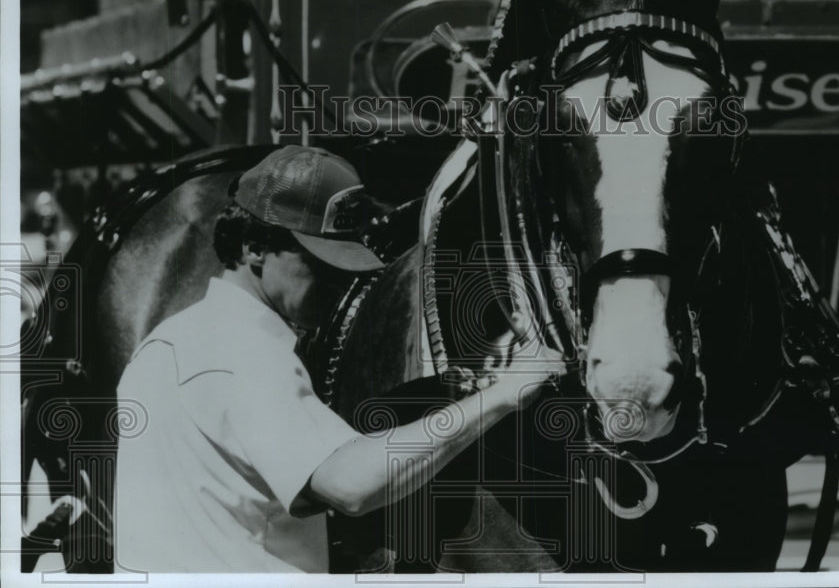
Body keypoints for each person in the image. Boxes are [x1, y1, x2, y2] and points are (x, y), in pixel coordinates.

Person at [113, 145, 566, 573]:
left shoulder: (163, 345)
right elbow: (349, 485)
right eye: (319, 262)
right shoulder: (245, 352)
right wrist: (503, 396)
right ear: (254, 248)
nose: (338, 282)